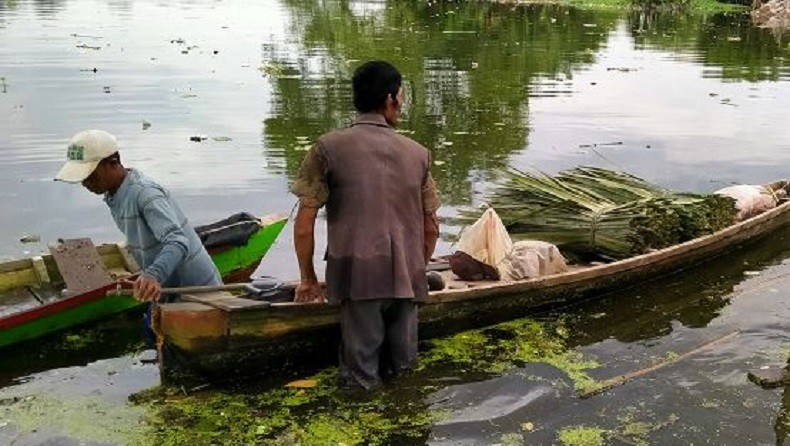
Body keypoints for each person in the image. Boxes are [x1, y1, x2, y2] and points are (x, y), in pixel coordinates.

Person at [291, 60, 441, 389]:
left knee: (360, 381)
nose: (401, 104)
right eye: (402, 97)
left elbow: (304, 223)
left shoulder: (327, 148)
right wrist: (416, 267)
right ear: (390, 99)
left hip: (358, 280)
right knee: (405, 373)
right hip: (407, 281)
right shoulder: (419, 154)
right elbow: (431, 227)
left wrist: (308, 279)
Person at [54, 129, 221, 303]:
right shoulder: (115, 194)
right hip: (168, 291)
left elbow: (178, 241)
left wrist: (153, 275)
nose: (85, 183)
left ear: (113, 162)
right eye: (82, 177)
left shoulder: (145, 194)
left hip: (199, 292)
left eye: (91, 175)